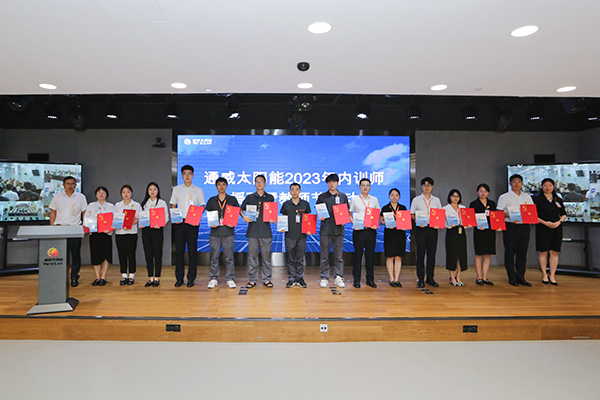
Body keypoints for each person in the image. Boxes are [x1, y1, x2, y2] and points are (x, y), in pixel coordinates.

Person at [170, 165, 205, 288]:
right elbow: (173, 205)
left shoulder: (198, 190)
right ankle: (179, 279)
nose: (187, 176)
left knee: (192, 252)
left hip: (192, 224)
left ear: (193, 175)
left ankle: (191, 278)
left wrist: (196, 218)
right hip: (179, 223)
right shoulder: (176, 189)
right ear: (182, 175)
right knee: (179, 252)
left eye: (189, 173)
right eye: (185, 173)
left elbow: (202, 206)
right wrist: (175, 219)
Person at [49, 176, 87, 287]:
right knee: (59, 254)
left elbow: (84, 213)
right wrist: (52, 227)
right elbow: (53, 212)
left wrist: (85, 227)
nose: (70, 186)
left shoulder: (81, 197)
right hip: (60, 228)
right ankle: (60, 277)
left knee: (75, 254)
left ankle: (74, 276)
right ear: (63, 185)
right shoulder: (57, 197)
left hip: (75, 228)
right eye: (68, 184)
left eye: (72, 184)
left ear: (75, 185)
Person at [497, 174, 534, 286]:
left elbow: (531, 211)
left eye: (519, 181)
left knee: (522, 253)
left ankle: (521, 277)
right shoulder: (504, 197)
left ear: (522, 183)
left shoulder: (527, 197)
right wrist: (508, 215)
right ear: (510, 183)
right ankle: (512, 278)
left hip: (525, 227)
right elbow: (498, 212)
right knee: (510, 253)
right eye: (514, 181)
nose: (516, 184)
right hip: (511, 227)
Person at [241, 175, 275, 288]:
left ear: (265, 184)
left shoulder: (270, 197)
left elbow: (272, 213)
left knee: (266, 258)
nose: (259, 183)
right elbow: (240, 209)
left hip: (265, 232)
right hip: (253, 232)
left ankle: (266, 279)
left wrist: (273, 219)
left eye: (261, 182)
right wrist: (244, 217)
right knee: (252, 258)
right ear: (254, 184)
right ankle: (252, 279)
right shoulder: (250, 197)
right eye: (257, 181)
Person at [205, 177, 239, 289]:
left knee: (229, 257)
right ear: (216, 186)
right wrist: (211, 223)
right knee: (214, 257)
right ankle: (213, 278)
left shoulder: (232, 199)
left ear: (226, 186)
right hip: (215, 233)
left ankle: (230, 278)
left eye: (223, 184)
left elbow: (236, 213)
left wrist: (233, 223)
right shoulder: (211, 200)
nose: (221, 186)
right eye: (219, 184)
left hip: (228, 232)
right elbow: (209, 215)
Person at [316, 173, 349, 288]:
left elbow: (346, 212)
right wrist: (320, 216)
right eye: (330, 182)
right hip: (325, 230)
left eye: (334, 182)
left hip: (339, 230)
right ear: (327, 183)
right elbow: (318, 211)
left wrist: (345, 220)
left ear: (337, 183)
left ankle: (338, 277)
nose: (332, 184)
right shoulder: (322, 197)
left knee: (339, 256)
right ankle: (324, 277)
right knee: (324, 255)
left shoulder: (343, 196)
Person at [410, 177, 442, 288]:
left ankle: (430, 278)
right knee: (420, 255)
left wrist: (437, 222)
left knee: (431, 255)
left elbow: (440, 214)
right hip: (421, 229)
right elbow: (412, 214)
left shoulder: (436, 200)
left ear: (432, 187)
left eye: (429, 185)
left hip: (432, 229)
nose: (426, 187)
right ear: (421, 186)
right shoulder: (416, 200)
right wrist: (418, 220)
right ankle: (420, 279)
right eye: (424, 185)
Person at [534, 178, 567, 285]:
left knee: (554, 251)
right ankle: (544, 274)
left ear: (553, 187)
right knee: (543, 251)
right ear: (542, 187)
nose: (547, 188)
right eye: (545, 185)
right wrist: (545, 223)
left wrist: (559, 222)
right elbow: (533, 215)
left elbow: (564, 214)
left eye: (550, 185)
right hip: (542, 227)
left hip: (556, 227)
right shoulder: (536, 199)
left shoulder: (558, 199)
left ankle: (552, 275)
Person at [349, 178, 380, 288]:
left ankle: (370, 279)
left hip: (371, 231)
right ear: (359, 187)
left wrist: (376, 223)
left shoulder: (374, 200)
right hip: (359, 231)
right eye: (363, 185)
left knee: (370, 256)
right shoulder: (354, 199)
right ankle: (356, 280)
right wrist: (354, 223)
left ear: (370, 187)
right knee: (357, 256)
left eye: (367, 185)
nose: (365, 187)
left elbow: (377, 214)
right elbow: (349, 214)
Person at [280, 182, 312, 288]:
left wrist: (309, 229)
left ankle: (300, 278)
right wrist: (282, 227)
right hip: (289, 235)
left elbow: (308, 219)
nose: (294, 192)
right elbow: (283, 218)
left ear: (300, 191)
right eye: (292, 189)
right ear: (289, 191)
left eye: (296, 189)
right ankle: (291, 278)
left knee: (300, 258)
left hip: (302, 235)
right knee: (290, 259)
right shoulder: (286, 204)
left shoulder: (305, 204)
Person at [140, 182, 169, 287]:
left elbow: (166, 217)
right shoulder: (144, 204)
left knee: (157, 254)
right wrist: (140, 223)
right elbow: (141, 217)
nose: (152, 191)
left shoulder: (162, 203)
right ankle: (150, 277)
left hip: (157, 230)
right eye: (150, 189)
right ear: (147, 191)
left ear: (158, 191)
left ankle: (157, 278)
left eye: (154, 189)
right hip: (146, 231)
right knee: (148, 254)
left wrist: (160, 224)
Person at [84, 186, 114, 286]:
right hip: (95, 234)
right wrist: (88, 229)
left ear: (106, 195)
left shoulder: (111, 206)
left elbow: (114, 220)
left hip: (106, 234)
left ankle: (103, 277)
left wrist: (110, 228)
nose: (101, 195)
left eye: (103, 193)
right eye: (99, 193)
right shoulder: (91, 206)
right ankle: (97, 277)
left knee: (106, 255)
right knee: (95, 255)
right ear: (96, 195)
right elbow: (86, 219)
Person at [114, 185, 142, 285]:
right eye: (124, 192)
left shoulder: (136, 205)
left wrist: (131, 223)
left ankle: (131, 276)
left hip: (131, 233)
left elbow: (139, 218)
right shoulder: (117, 205)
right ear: (121, 194)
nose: (126, 194)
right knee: (122, 254)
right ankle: (124, 276)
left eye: (128, 192)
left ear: (131, 193)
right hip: (120, 233)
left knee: (131, 254)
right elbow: (115, 218)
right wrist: (119, 224)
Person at [469, 183, 496, 286]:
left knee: (488, 254)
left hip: (490, 232)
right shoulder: (473, 204)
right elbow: (471, 218)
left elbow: (495, 217)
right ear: (477, 192)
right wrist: (476, 225)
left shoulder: (492, 203)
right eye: (481, 191)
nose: (483, 193)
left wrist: (498, 225)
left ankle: (485, 277)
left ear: (488, 192)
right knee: (479, 254)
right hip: (479, 232)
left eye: (485, 191)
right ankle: (479, 277)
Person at [381, 188, 407, 287]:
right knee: (390, 256)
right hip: (389, 234)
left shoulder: (403, 208)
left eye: (396, 195)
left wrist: (405, 225)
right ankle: (391, 279)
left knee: (398, 257)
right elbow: (381, 221)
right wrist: (386, 223)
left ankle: (397, 279)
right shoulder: (385, 208)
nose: (394, 197)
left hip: (400, 234)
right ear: (389, 196)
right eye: (392, 195)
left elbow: (406, 221)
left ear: (399, 196)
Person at [443, 189, 468, 286]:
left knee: (461, 254)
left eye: (457, 196)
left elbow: (466, 220)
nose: (455, 198)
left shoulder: (463, 208)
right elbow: (442, 222)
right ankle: (452, 277)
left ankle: (458, 276)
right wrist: (449, 225)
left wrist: (468, 223)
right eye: (453, 196)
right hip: (451, 232)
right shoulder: (445, 208)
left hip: (461, 231)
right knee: (451, 254)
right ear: (450, 197)